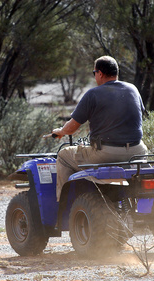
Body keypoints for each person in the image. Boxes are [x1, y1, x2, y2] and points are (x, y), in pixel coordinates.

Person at [51, 55, 148, 200]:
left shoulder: (93, 94)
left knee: (64, 156)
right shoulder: (133, 89)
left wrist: (60, 131)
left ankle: (65, 207)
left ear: (100, 73)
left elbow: (71, 128)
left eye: (94, 73)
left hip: (106, 153)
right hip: (138, 152)